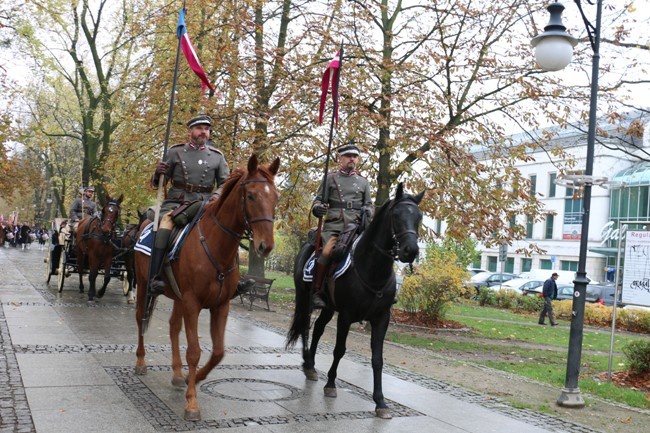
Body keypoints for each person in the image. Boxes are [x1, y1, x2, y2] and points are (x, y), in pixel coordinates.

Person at [147, 114, 231, 295]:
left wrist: (216, 195)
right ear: (191, 131)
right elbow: (158, 184)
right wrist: (157, 173)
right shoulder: (174, 152)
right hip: (177, 203)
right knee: (164, 226)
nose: (204, 132)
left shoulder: (217, 157)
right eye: (200, 128)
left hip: (206, 204)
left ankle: (233, 278)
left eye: (207, 129)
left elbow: (226, 183)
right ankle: (156, 276)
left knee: (227, 229)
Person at [310, 142, 373, 308]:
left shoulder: (363, 182)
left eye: (355, 156)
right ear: (341, 159)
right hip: (335, 226)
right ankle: (317, 291)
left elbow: (369, 204)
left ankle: (376, 292)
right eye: (348, 156)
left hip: (357, 227)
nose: (352, 159)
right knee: (328, 251)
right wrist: (318, 208)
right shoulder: (330, 178)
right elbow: (318, 200)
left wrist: (368, 211)